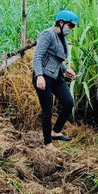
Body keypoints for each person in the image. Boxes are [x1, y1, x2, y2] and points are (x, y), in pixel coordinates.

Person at [33, 9, 79, 148]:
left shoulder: (61, 37)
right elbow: (37, 57)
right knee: (48, 110)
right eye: (69, 26)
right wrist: (39, 75)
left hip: (56, 75)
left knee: (68, 102)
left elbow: (56, 58)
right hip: (44, 77)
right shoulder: (48, 35)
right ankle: (48, 143)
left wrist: (66, 69)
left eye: (72, 27)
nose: (70, 29)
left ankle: (56, 131)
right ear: (61, 22)